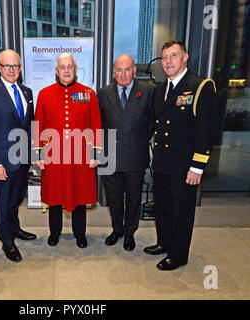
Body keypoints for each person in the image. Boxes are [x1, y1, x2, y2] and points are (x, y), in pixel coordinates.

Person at [143, 40, 218, 271]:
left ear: (185, 58)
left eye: (173, 56)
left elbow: (208, 129)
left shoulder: (200, 86)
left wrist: (197, 167)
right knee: (163, 207)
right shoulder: (160, 90)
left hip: (185, 165)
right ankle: (164, 243)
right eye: (165, 57)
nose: (168, 62)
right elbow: (156, 126)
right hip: (164, 162)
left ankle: (178, 255)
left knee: (181, 211)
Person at [33, 53, 102, 249]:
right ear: (56, 71)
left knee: (80, 196)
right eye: (62, 67)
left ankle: (80, 234)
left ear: (75, 69)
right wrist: (37, 153)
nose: (66, 70)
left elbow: (96, 124)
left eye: (70, 67)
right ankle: (55, 233)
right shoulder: (45, 94)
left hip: (81, 155)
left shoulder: (88, 93)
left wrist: (96, 153)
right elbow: (38, 124)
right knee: (54, 197)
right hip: (53, 154)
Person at [0, 49, 36, 263]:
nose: (11, 70)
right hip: (3, 161)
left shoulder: (27, 92)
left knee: (16, 198)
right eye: (7, 66)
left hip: (22, 159)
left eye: (15, 66)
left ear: (20, 68)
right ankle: (6, 241)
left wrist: (31, 155)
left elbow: (29, 126)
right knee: (3, 202)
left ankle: (15, 229)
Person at [97, 54, 154, 251]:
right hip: (110, 156)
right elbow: (99, 124)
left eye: (127, 69)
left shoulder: (147, 92)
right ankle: (117, 230)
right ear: (113, 72)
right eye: (119, 70)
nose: (123, 74)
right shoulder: (103, 93)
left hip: (135, 155)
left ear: (134, 70)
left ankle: (130, 233)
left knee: (133, 197)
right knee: (113, 197)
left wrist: (136, 140)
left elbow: (152, 124)